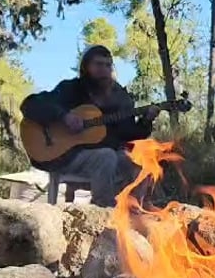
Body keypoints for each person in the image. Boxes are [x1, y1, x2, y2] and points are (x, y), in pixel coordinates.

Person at [20, 45, 160, 207]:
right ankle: (103, 210)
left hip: (106, 160)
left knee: (138, 163)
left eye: (108, 65)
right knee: (106, 156)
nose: (104, 69)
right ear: (86, 67)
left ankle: (133, 211)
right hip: (64, 157)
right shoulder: (71, 89)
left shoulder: (120, 98)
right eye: (99, 64)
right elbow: (30, 104)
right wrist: (64, 116)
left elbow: (129, 133)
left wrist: (146, 121)